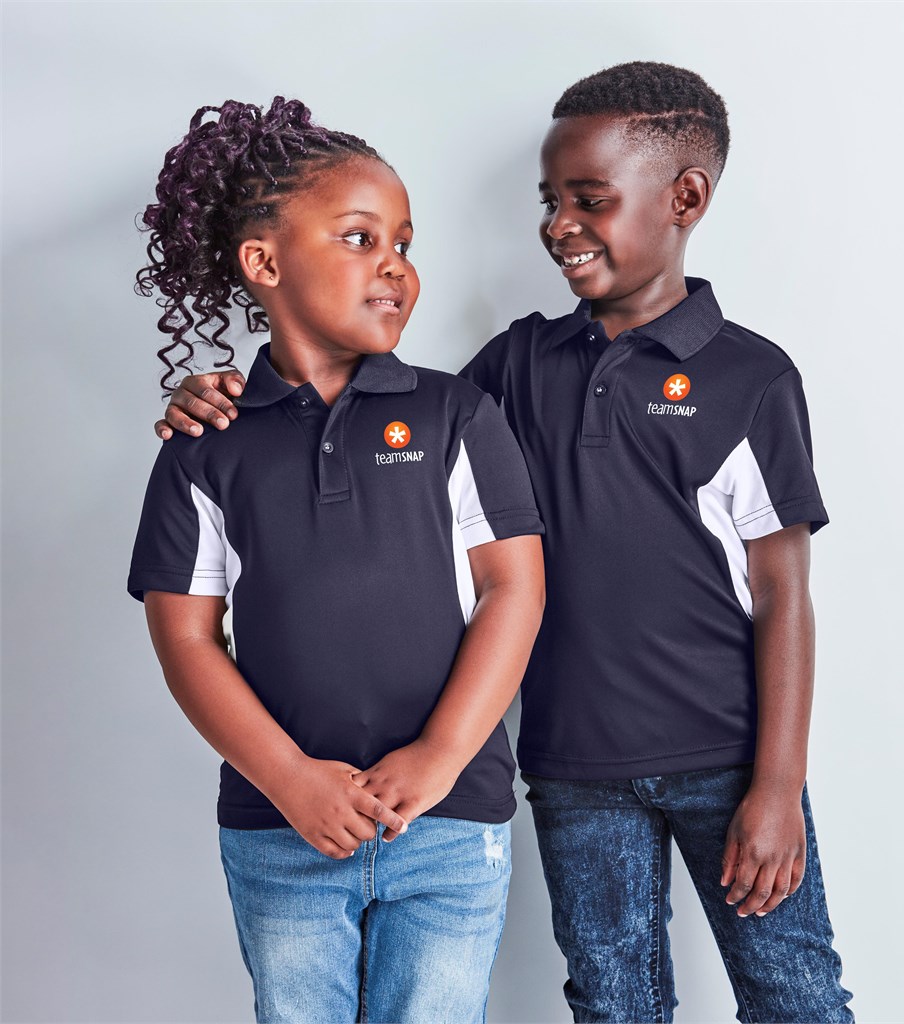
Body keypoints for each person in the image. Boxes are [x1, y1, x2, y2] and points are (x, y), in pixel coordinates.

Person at [150, 64, 854, 1024]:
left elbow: (783, 593)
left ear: (685, 199)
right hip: (572, 766)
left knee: (794, 994)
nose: (559, 225)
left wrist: (778, 783)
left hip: (729, 756)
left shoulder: (752, 378)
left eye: (588, 200)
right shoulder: (516, 366)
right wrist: (214, 398)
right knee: (613, 1003)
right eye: (550, 201)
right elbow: (372, 404)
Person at [127, 97, 545, 1024]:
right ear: (264, 263)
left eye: (404, 242)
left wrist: (439, 756)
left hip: (449, 819)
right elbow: (185, 637)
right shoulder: (205, 446)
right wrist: (288, 777)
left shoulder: (456, 415)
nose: (395, 264)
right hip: (280, 831)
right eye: (361, 238)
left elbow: (513, 588)